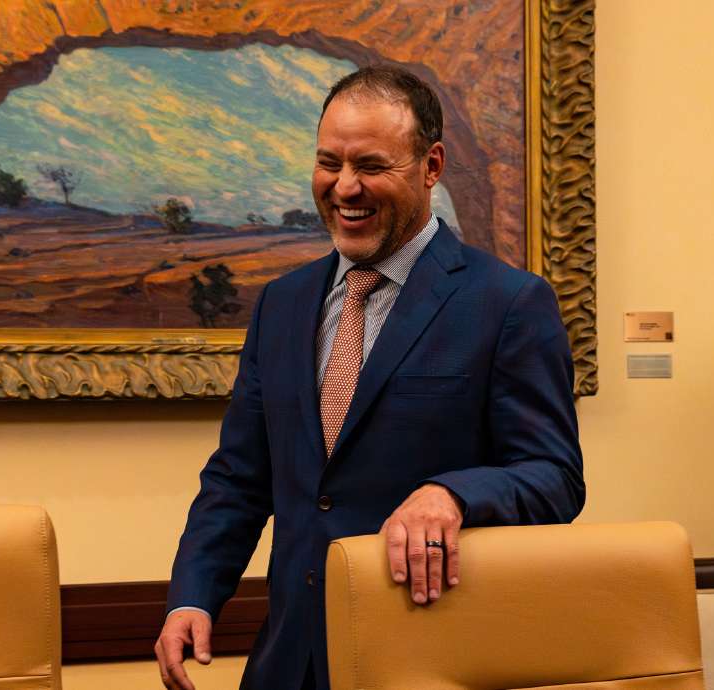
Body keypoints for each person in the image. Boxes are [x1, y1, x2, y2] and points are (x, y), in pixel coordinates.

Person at [156, 65, 585, 690]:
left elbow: (555, 478)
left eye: (372, 166)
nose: (345, 187)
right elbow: (239, 479)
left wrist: (454, 494)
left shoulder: (508, 302)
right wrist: (192, 596)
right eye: (329, 162)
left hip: (429, 658)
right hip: (289, 661)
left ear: (431, 167)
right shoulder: (283, 303)